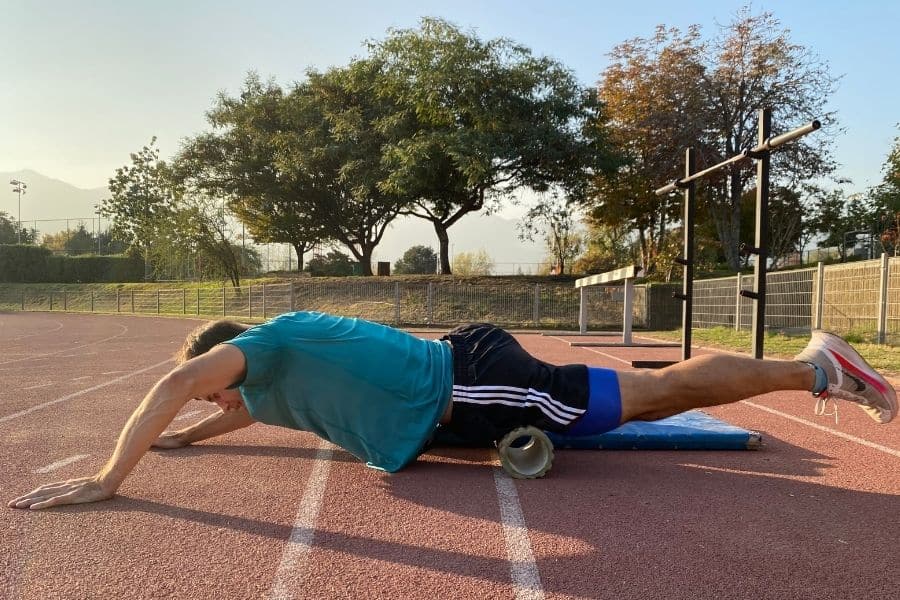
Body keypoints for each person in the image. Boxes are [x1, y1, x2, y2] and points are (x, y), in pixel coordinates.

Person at [9, 311, 897, 510]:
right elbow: (222, 413)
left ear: (220, 358)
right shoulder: (259, 393)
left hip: (466, 382)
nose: (215, 398)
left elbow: (173, 387)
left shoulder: (265, 347)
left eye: (210, 386)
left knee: (650, 397)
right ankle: (512, 438)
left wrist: (107, 475)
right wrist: (187, 445)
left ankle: (814, 370)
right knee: (601, 415)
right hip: (460, 408)